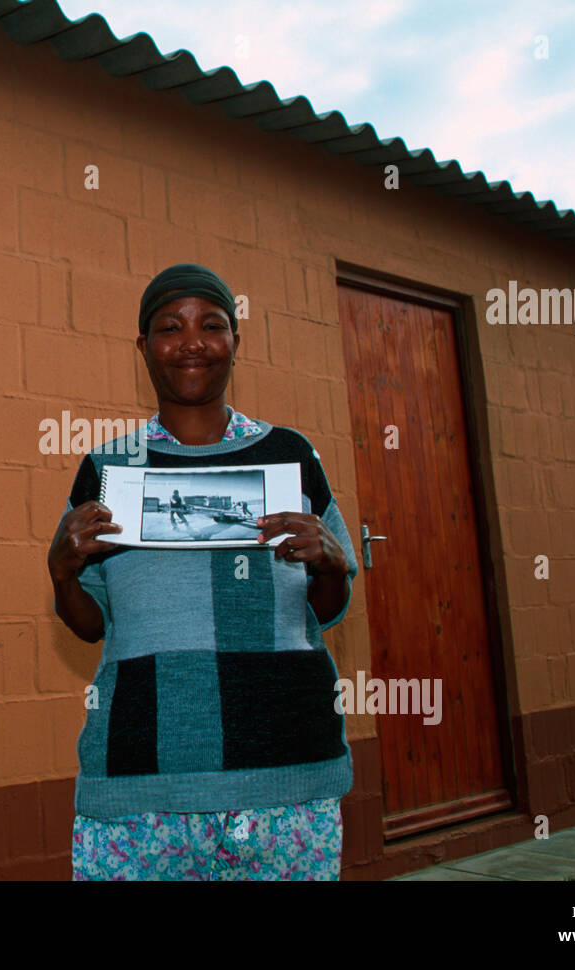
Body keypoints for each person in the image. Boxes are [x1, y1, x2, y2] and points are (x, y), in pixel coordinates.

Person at [48, 263, 358, 880]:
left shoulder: (290, 456)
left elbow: (324, 608)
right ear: (143, 348)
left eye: (212, 325)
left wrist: (332, 564)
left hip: (285, 771)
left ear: (236, 342)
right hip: (144, 777)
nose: (192, 342)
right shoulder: (109, 469)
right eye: (169, 327)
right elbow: (88, 626)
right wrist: (61, 573)